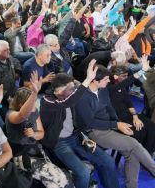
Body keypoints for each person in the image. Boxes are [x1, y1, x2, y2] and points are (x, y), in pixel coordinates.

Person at [40, 60, 120, 188]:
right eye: (71, 88)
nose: (74, 91)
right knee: (83, 173)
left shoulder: (70, 98)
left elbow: (78, 121)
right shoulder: (47, 101)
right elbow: (66, 102)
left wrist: (85, 137)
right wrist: (88, 79)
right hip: (59, 143)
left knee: (108, 162)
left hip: (76, 137)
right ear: (59, 90)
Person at [75, 64, 155, 188]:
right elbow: (90, 122)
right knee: (134, 144)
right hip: (94, 131)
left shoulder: (103, 90)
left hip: (109, 126)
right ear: (95, 81)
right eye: (106, 79)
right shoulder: (83, 97)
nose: (109, 81)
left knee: (132, 154)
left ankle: (132, 186)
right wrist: (117, 124)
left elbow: (110, 108)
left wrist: (119, 123)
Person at [6, 72, 73, 188]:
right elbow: (22, 115)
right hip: (21, 156)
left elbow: (41, 134)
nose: (35, 106)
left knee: (60, 180)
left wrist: (34, 134)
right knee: (60, 178)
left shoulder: (34, 111)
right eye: (32, 103)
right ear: (22, 104)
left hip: (36, 150)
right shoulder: (11, 115)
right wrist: (35, 92)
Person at [109, 63, 155, 155]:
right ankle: (138, 155)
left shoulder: (122, 87)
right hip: (118, 119)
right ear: (115, 76)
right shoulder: (108, 88)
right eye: (124, 76)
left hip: (130, 115)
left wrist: (135, 116)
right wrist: (142, 70)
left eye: (127, 76)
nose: (126, 78)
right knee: (139, 132)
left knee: (153, 127)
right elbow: (127, 82)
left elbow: (129, 103)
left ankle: (148, 153)